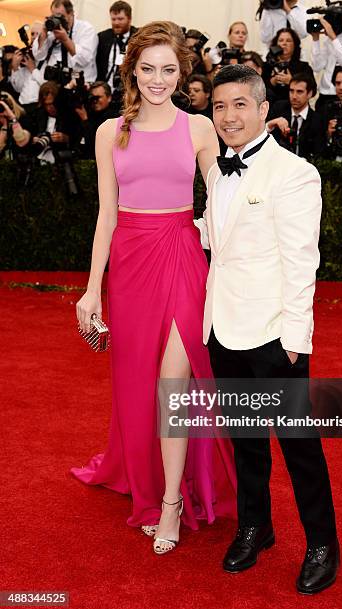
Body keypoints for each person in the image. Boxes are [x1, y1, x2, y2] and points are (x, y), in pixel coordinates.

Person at [73, 21, 236, 556]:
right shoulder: (109, 132)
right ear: (132, 71)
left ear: (182, 72)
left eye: (168, 70)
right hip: (130, 265)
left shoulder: (198, 129)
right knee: (139, 385)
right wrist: (93, 289)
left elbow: (223, 200)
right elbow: (105, 217)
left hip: (182, 255)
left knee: (175, 380)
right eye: (148, 69)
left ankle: (169, 502)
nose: (158, 80)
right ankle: (151, 482)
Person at [194, 64, 339, 593]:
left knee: (299, 445)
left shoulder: (295, 173)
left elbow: (302, 262)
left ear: (262, 110)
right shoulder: (215, 172)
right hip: (223, 330)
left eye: (238, 105)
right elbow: (216, 239)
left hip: (275, 335)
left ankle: (323, 542)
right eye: (218, 107)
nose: (228, 116)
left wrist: (296, 339)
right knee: (246, 440)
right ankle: (256, 526)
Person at [32, 0, 98, 84]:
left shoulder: (86, 29)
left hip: (78, 84)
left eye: (61, 16)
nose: (57, 20)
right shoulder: (52, 31)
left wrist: (65, 40)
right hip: (55, 84)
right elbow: (38, 55)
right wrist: (44, 32)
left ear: (71, 13)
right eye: (54, 16)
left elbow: (84, 59)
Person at [267, 72, 325, 159]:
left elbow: (319, 153)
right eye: (291, 91)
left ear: (309, 94)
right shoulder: (278, 108)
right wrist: (272, 123)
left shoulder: (317, 120)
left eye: (299, 92)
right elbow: (260, 136)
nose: (294, 96)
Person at [96, 1, 137, 90]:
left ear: (129, 19)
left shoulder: (138, 36)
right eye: (113, 19)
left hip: (129, 89)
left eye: (120, 19)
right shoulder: (103, 37)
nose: (116, 23)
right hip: (106, 89)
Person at [266, 28, 313, 104]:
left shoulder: (304, 67)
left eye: (288, 41)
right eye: (281, 40)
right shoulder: (267, 66)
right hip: (272, 108)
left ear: (295, 45)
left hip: (295, 107)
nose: (284, 43)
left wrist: (292, 81)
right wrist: (272, 82)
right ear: (275, 45)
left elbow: (313, 91)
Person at [75, 81, 118, 159]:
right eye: (92, 97)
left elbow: (96, 143)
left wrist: (85, 120)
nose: (95, 101)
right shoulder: (89, 113)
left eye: (98, 97)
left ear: (109, 98)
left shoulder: (114, 118)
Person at [0, 91, 31, 159]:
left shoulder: (23, 119)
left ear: (11, 106)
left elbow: (21, 142)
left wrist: (12, 118)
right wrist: (4, 126)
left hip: (21, 164)